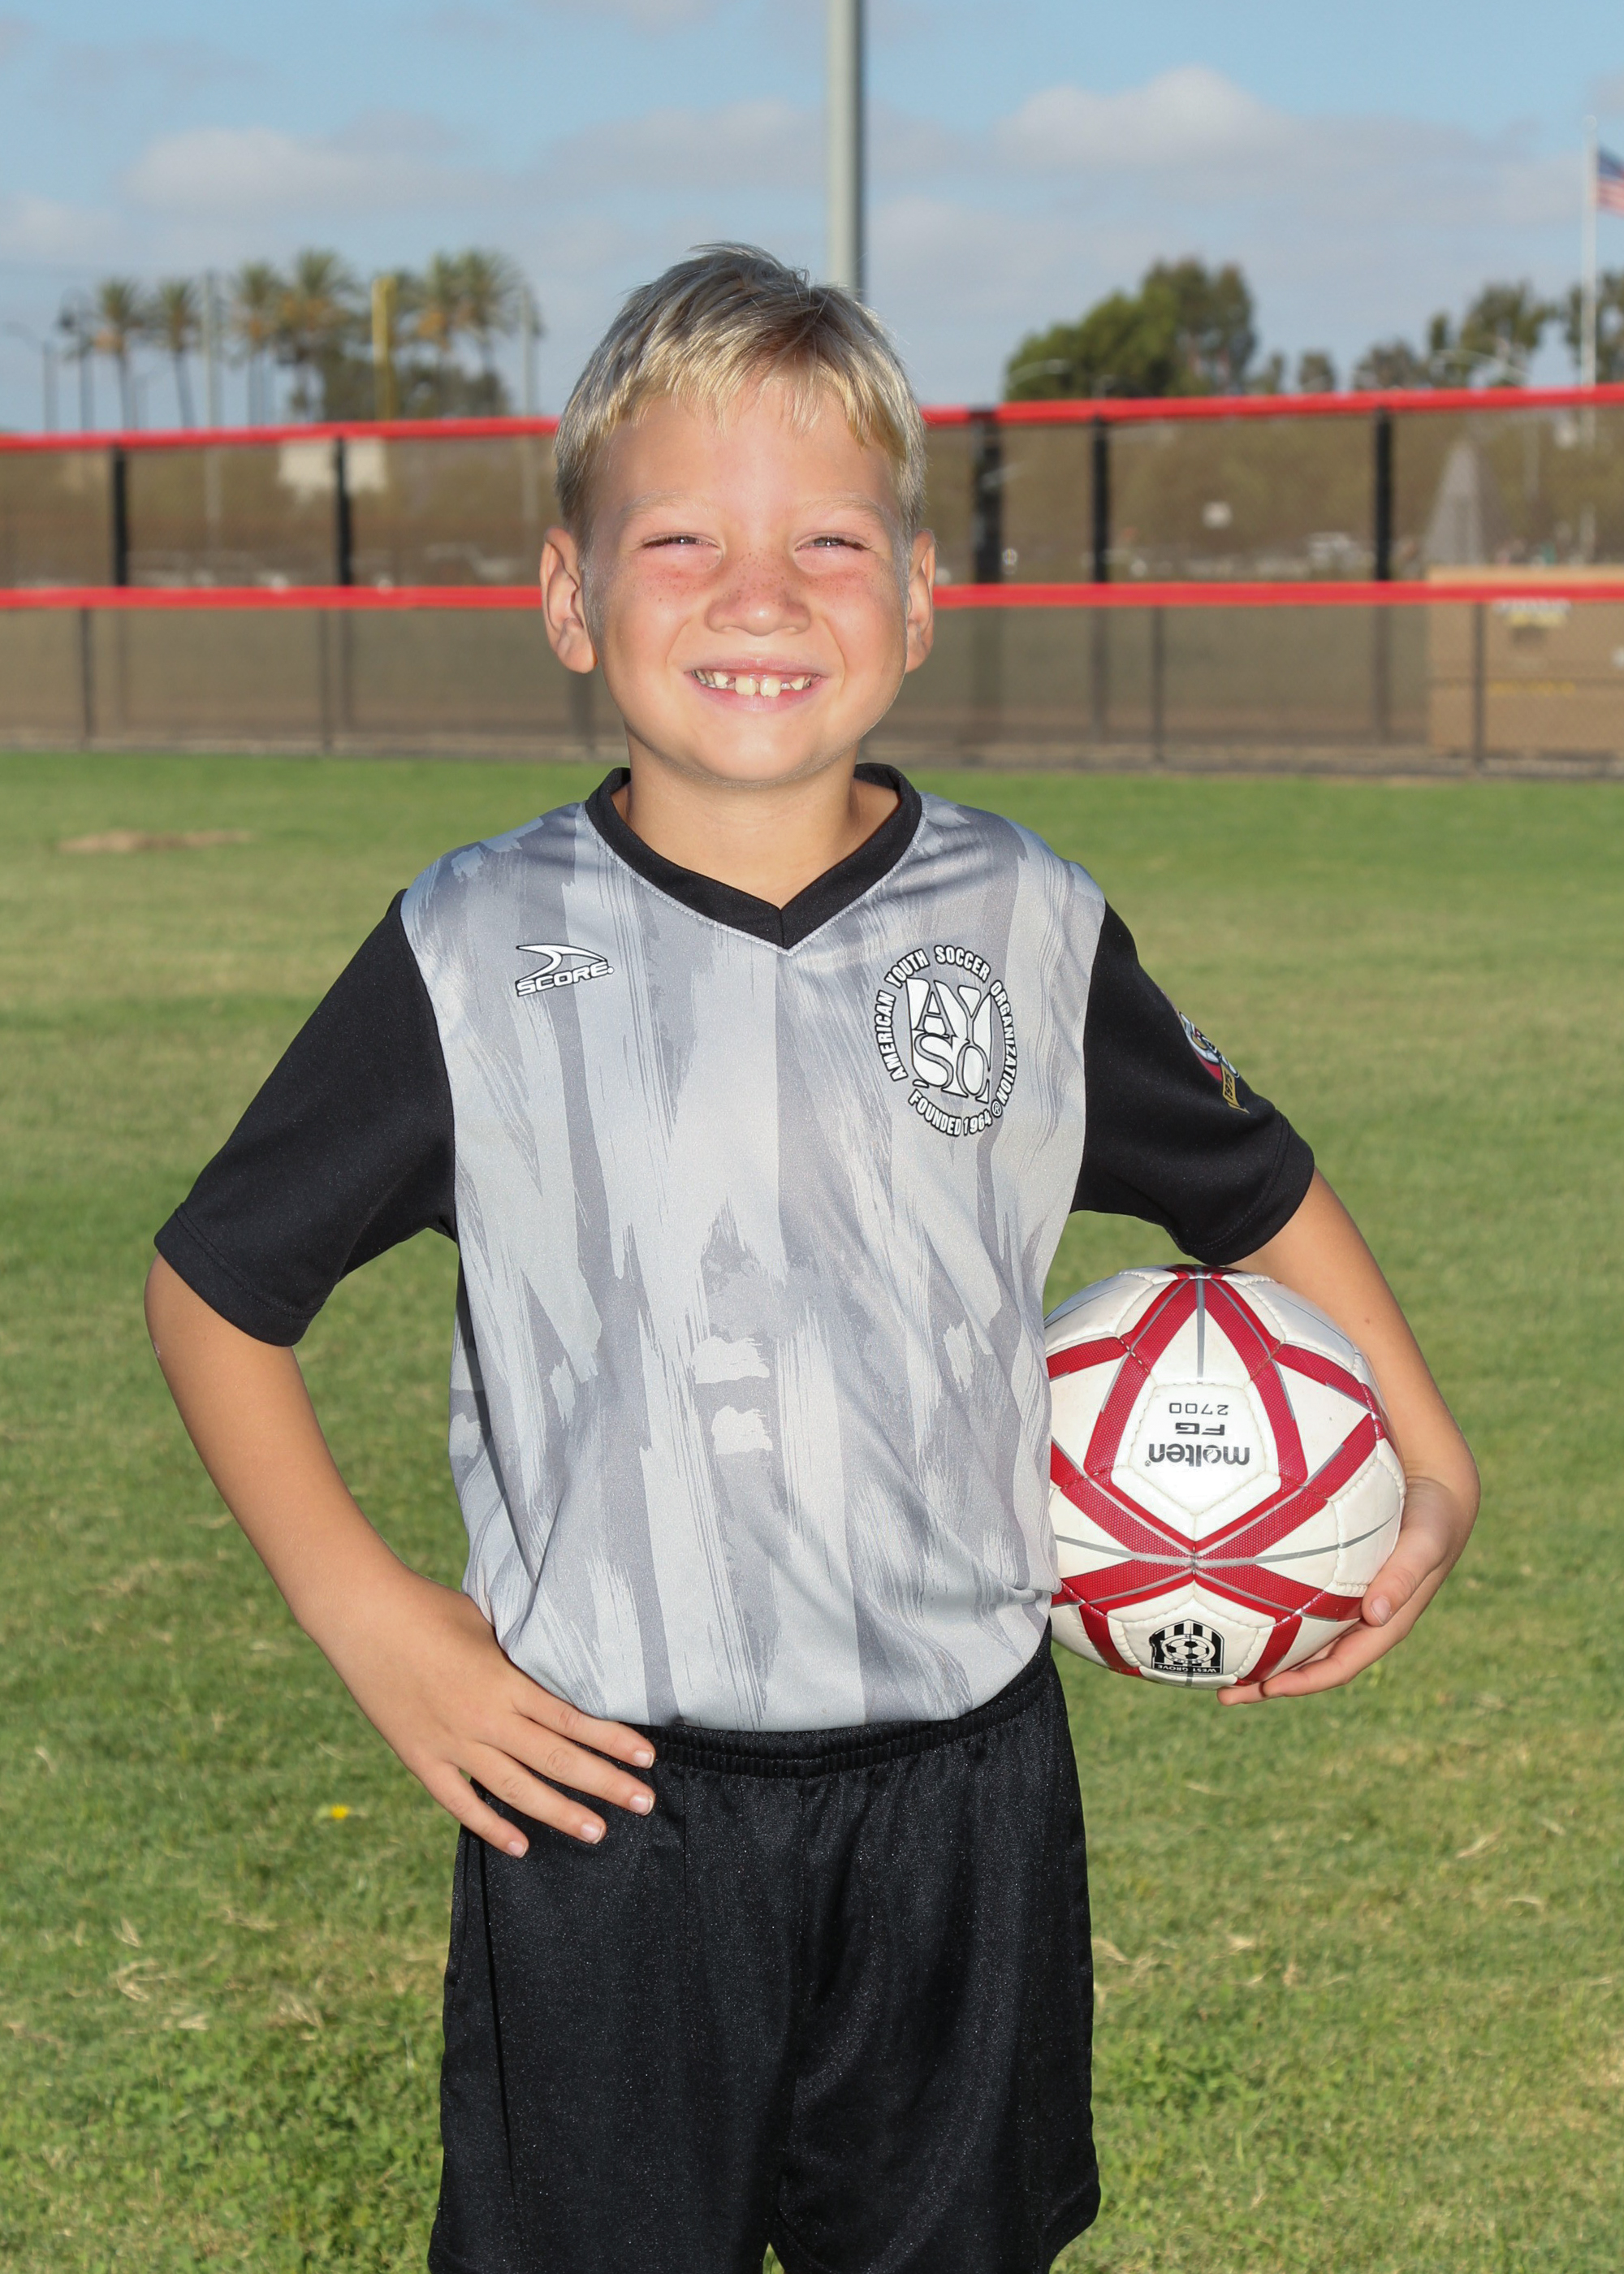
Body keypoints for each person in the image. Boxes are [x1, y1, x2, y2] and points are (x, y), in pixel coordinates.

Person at [145, 245, 1479, 2274]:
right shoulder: (471, 947)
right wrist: (375, 1618)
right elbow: (216, 1287)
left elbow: (1249, 1181)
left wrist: (1427, 1451)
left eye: (829, 541)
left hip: (965, 1797)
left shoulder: (1026, 921)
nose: (758, 594)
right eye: (681, 538)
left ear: (920, 596)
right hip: (604, 1805)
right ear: (569, 596)